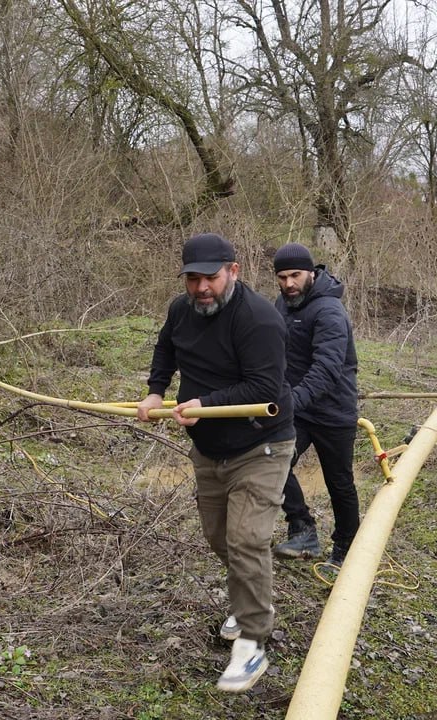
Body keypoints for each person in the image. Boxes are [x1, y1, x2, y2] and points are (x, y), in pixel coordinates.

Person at [137, 232, 296, 693]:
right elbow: (167, 347)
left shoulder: (259, 320)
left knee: (247, 539)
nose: (201, 287)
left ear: (233, 271)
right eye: (193, 278)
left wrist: (204, 403)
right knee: (219, 537)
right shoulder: (180, 309)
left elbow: (264, 389)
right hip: (207, 446)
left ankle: (252, 642)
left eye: (211, 277)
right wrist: (156, 390)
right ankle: (250, 596)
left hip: (261, 445)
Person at [268, 242, 360, 570]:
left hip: (334, 412)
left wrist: (291, 402)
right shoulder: (283, 304)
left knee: (339, 483)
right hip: (301, 410)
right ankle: (303, 528)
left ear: (311, 272)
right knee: (271, 458)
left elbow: (327, 369)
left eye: (295, 275)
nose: (289, 283)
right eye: (282, 277)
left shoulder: (329, 311)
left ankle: (347, 549)